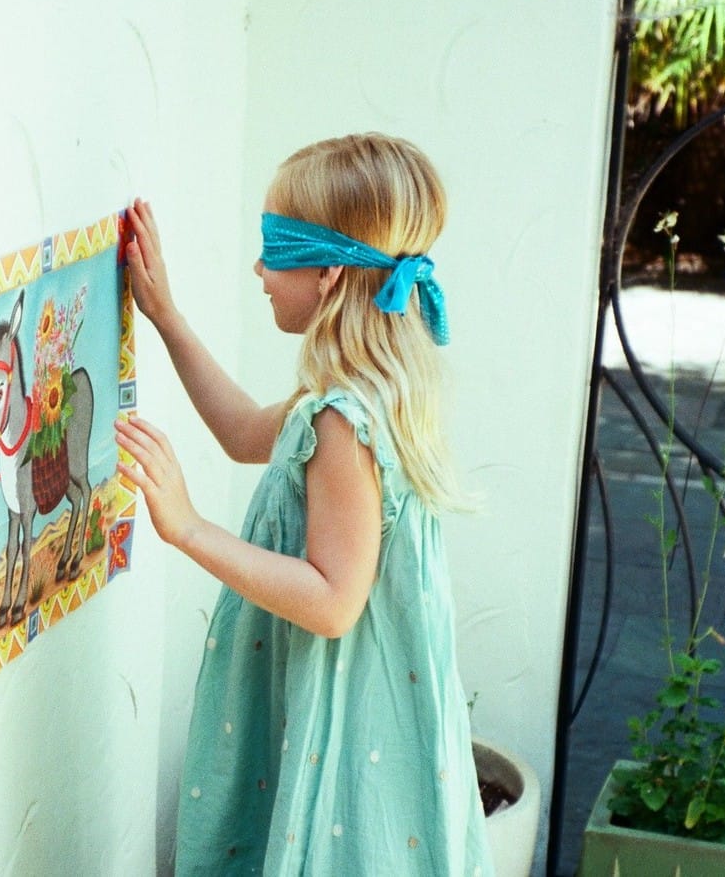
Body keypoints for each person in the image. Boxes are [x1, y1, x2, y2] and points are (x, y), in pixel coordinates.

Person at [115, 133, 494, 876]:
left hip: (346, 713)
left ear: (325, 273)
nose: (259, 269)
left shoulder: (342, 420)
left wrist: (188, 527)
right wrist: (166, 317)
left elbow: (331, 603)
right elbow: (243, 431)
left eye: (274, 250)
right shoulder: (354, 387)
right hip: (363, 697)